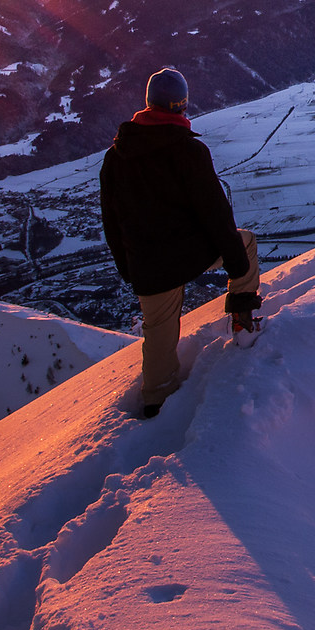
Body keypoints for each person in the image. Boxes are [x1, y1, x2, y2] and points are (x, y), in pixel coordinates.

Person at [98, 66, 261, 417]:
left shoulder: (115, 157)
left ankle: (156, 399)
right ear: (182, 107)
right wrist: (235, 263)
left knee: (158, 331)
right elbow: (215, 214)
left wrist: (129, 269)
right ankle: (243, 320)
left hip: (147, 265)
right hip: (190, 254)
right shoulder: (190, 152)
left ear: (148, 104)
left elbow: (111, 221)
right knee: (245, 243)